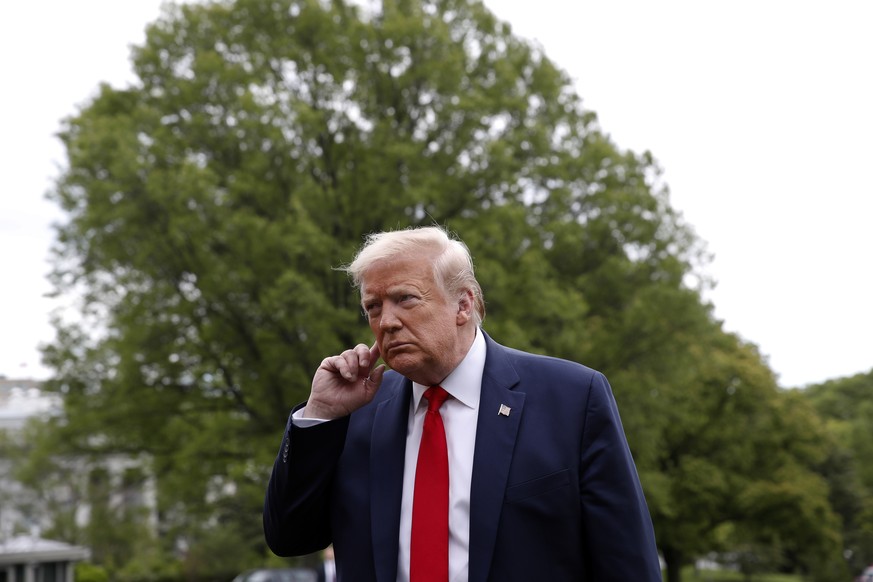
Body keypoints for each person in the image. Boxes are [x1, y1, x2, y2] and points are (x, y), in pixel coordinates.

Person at [263, 225, 662, 581]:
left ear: (464, 305)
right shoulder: (354, 410)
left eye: (405, 299)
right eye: (373, 306)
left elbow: (626, 562)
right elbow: (289, 537)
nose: (386, 322)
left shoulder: (572, 398)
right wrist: (319, 416)